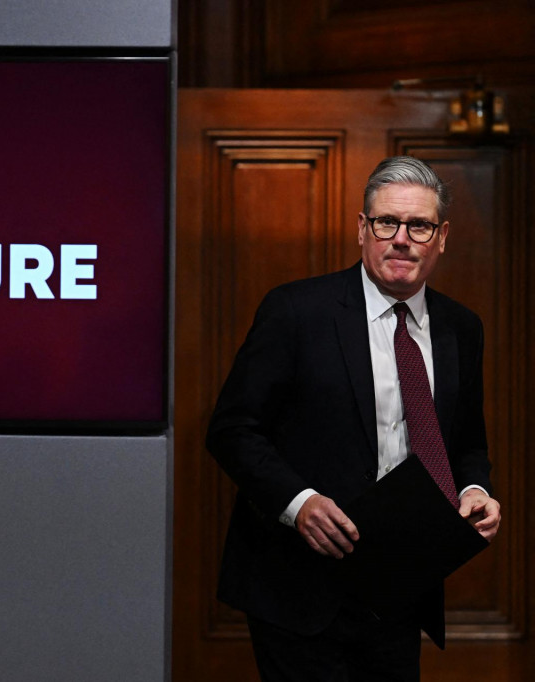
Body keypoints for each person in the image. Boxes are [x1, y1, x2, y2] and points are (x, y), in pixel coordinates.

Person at [205, 155, 501, 681]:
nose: (401, 238)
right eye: (386, 222)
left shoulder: (462, 328)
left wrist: (476, 488)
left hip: (399, 587)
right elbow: (233, 430)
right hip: (299, 587)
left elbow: (467, 442)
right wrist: (299, 504)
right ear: (362, 229)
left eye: (419, 225)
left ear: (442, 236)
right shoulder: (297, 312)